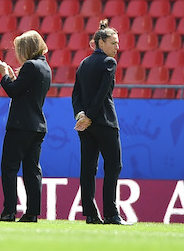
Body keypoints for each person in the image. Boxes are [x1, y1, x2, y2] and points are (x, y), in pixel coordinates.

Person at [72, 19, 130, 225]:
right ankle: (111, 214)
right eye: (113, 42)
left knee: (88, 168)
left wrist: (81, 115)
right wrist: (89, 116)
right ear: (101, 42)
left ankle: (90, 214)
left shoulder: (83, 63)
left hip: (86, 126)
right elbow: (102, 93)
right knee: (113, 166)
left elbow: (76, 94)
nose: (117, 47)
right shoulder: (109, 62)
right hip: (104, 122)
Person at [0, 31, 51, 223]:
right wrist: (14, 78)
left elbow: (12, 91)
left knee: (9, 167)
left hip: (21, 125)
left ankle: (9, 211)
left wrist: (4, 75)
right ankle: (32, 212)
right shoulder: (45, 66)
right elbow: (24, 89)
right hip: (37, 125)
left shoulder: (29, 65)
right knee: (32, 169)